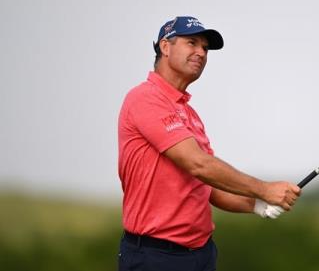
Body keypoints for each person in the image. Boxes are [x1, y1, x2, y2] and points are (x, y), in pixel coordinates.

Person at [117, 16, 301, 271]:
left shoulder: (190, 115)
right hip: (155, 255)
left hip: (201, 254)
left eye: (205, 48)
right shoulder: (145, 98)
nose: (201, 53)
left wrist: (256, 204)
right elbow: (198, 165)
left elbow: (208, 186)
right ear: (165, 47)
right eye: (192, 43)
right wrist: (263, 189)